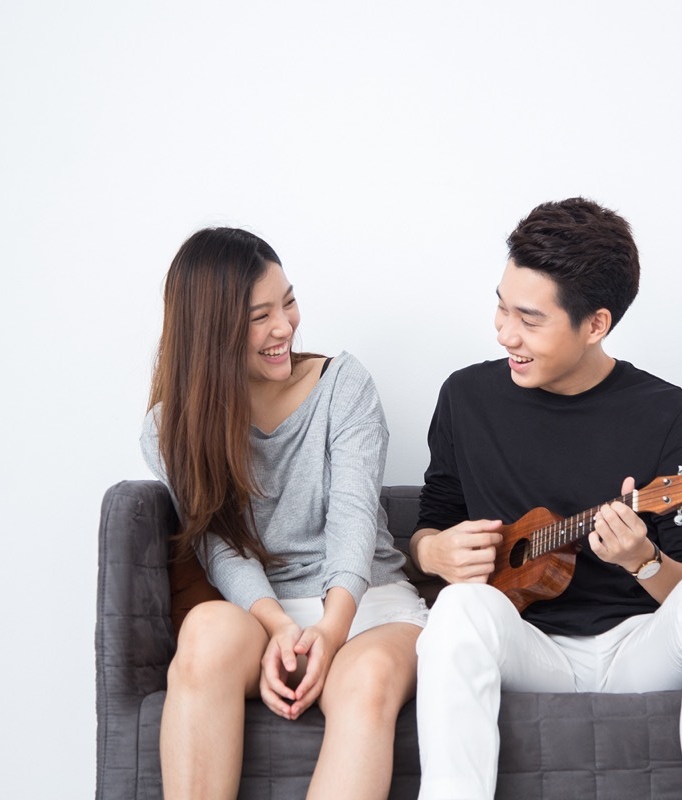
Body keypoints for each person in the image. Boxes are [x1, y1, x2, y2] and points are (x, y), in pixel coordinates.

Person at [410, 198, 682, 800]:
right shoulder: (465, 397)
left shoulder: (667, 415)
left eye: (529, 320)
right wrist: (434, 553)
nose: (505, 334)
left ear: (596, 324)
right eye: (501, 308)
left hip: (636, 646)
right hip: (527, 645)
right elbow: (430, 525)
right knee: (456, 610)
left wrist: (643, 561)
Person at [141, 226, 427, 800]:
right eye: (258, 316)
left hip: (366, 604)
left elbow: (351, 522)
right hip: (260, 614)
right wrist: (279, 626)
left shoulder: (344, 385)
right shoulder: (170, 426)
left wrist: (330, 628)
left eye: (289, 302)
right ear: (210, 331)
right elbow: (221, 544)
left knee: (365, 682)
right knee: (203, 633)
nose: (284, 328)